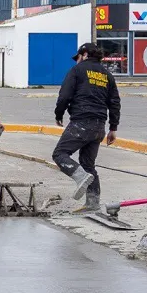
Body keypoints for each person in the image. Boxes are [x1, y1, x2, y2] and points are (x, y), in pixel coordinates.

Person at [53, 42, 121, 214]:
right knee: (88, 164)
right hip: (99, 126)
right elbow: (114, 102)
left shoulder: (77, 70)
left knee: (60, 154)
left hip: (82, 122)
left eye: (78, 58)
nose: (76, 61)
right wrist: (113, 128)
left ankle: (80, 177)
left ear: (84, 54)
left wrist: (58, 114)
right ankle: (92, 204)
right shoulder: (107, 75)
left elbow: (65, 95)